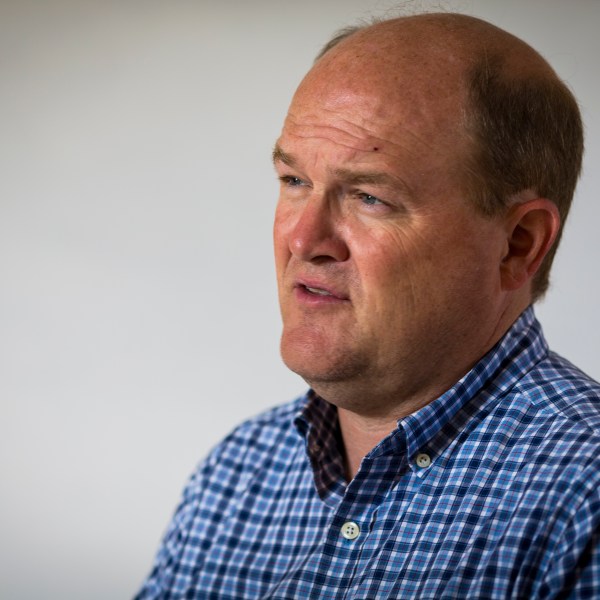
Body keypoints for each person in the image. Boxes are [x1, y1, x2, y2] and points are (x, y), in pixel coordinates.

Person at [136, 12, 600, 599]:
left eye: (370, 197)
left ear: (518, 244)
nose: (303, 240)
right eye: (294, 180)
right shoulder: (237, 475)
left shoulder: (585, 499)